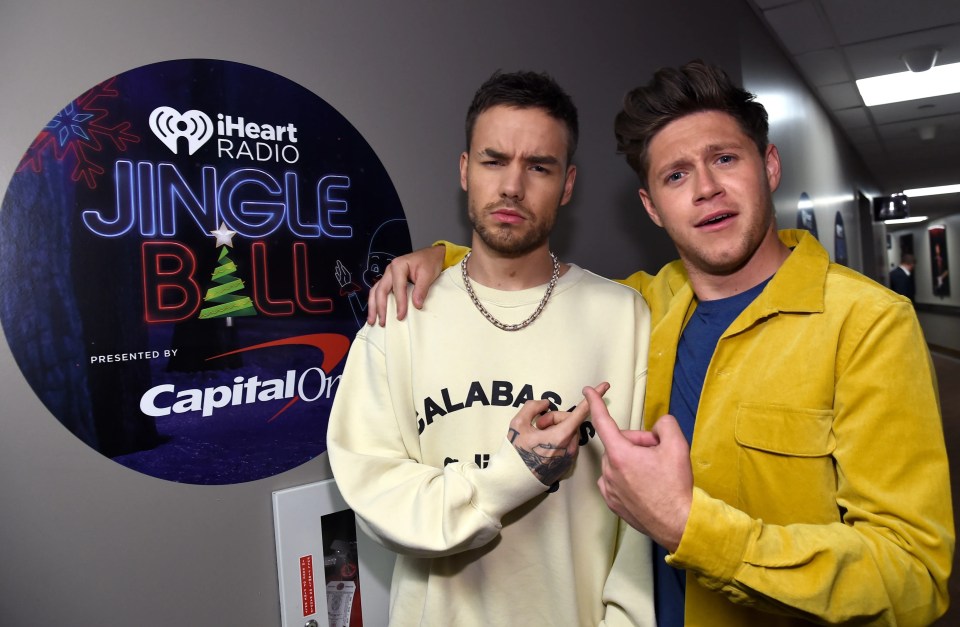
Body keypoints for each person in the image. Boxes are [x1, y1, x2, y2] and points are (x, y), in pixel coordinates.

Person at [366, 61, 954, 626]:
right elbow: (523, 277)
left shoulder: (868, 322)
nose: (705, 189)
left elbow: (911, 575)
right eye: (675, 175)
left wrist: (689, 527)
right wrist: (443, 260)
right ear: (651, 205)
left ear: (770, 166)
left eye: (724, 158)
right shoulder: (646, 305)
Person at [326, 70, 655, 626]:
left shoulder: (622, 316)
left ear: (568, 184)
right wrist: (513, 474)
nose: (512, 186)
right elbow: (377, 494)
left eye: (539, 167)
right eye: (494, 160)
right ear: (464, 170)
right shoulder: (399, 315)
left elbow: (639, 530)